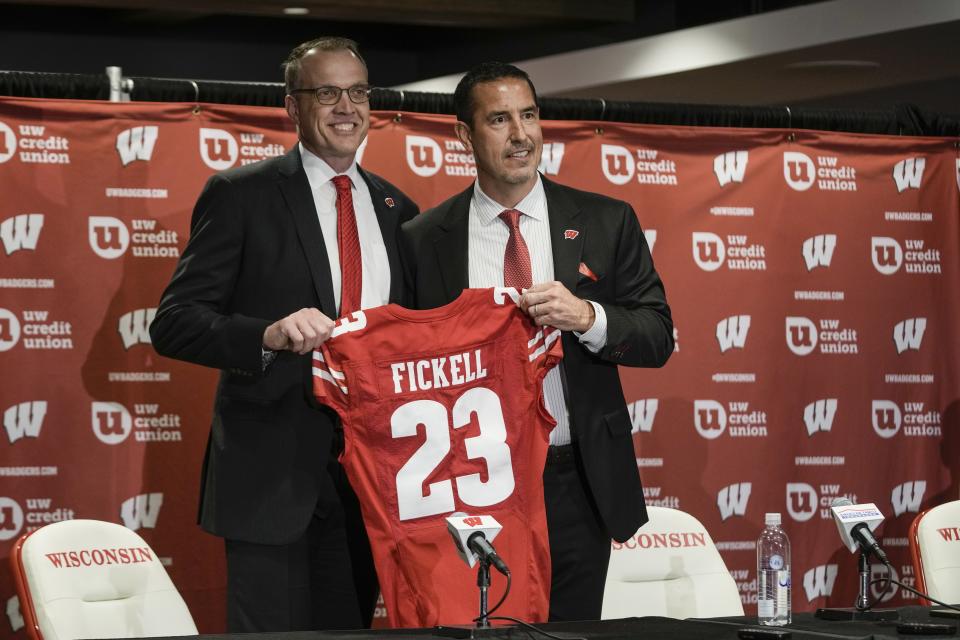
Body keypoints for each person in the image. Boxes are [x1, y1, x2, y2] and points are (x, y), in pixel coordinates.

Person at [149, 37, 419, 632]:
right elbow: (173, 322)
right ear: (293, 107)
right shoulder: (241, 194)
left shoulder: (400, 208)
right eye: (327, 92)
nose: (346, 106)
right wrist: (266, 336)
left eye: (357, 92)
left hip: (370, 478)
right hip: (269, 478)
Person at [399, 61, 673, 621]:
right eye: (499, 119)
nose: (521, 135)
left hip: (575, 478)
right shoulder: (423, 239)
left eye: (529, 115)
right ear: (463, 135)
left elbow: (657, 334)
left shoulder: (605, 220)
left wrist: (587, 316)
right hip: (469, 485)